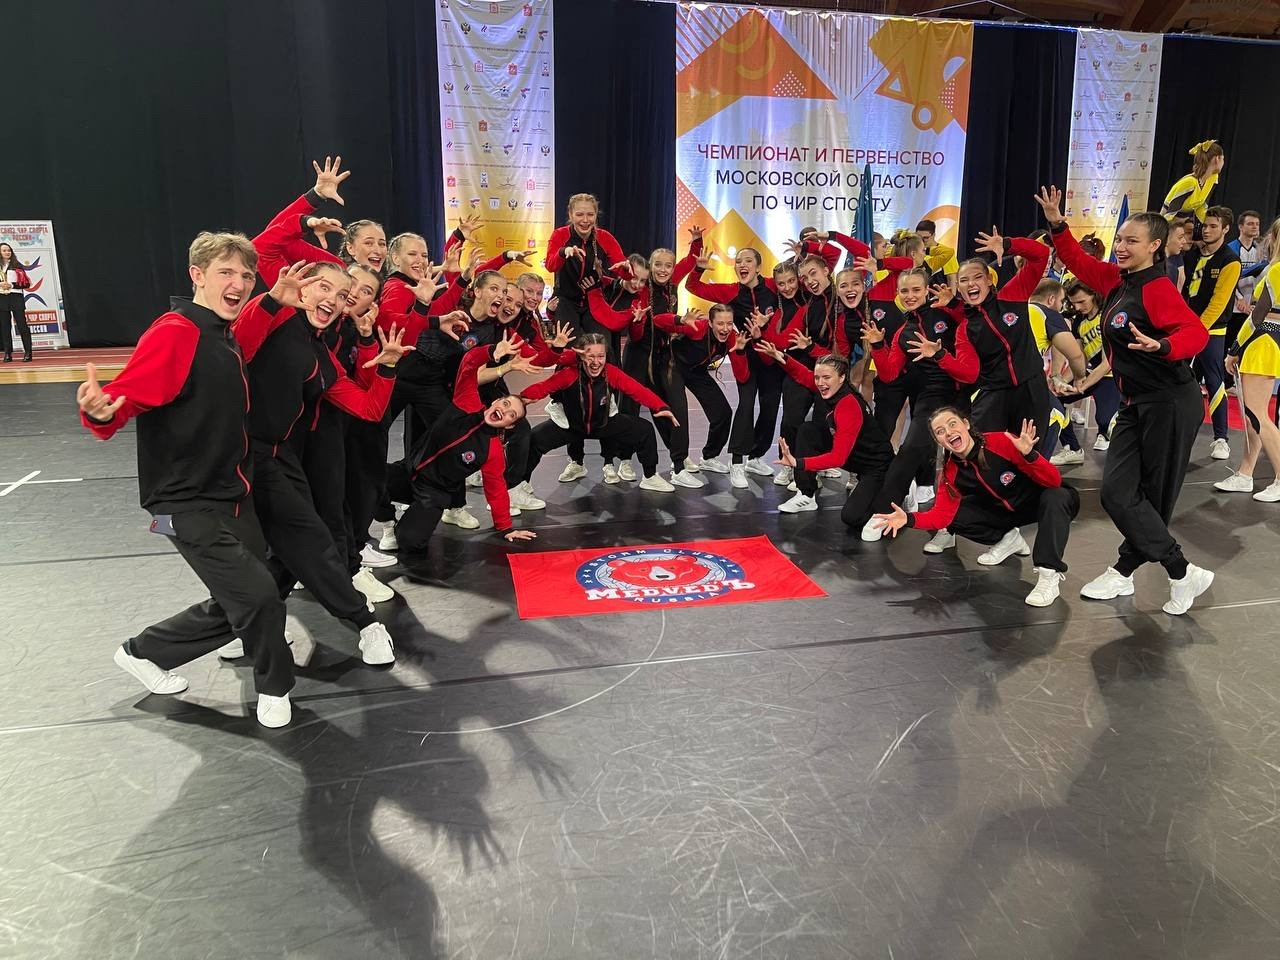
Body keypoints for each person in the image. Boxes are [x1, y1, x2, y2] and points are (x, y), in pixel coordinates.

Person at [76, 232, 295, 727]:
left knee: (247, 595)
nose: (239, 283)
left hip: (231, 494)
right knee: (259, 597)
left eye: (246, 275)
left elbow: (242, 337)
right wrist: (102, 411)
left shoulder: (221, 333)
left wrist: (271, 303)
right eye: (226, 272)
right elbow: (127, 394)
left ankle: (142, 652)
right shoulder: (176, 331)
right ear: (197, 275)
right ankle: (275, 687)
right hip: (185, 501)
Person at [1035, 185, 1213, 615]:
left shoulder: (1157, 288)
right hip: (1136, 403)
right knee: (1117, 493)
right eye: (1119, 239)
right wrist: (1057, 223)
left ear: (1155, 246)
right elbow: (1078, 261)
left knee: (1154, 496)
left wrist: (1163, 346)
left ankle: (1125, 570)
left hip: (1171, 402)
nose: (1121, 246)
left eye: (1132, 241)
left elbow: (1196, 333)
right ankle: (1182, 571)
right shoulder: (1117, 280)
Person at [872, 409, 1080, 607]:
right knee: (956, 516)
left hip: (1046, 502)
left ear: (966, 424)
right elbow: (942, 516)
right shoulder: (950, 471)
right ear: (938, 441)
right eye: (940, 431)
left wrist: (1030, 455)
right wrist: (908, 519)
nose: (948, 432)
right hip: (1007, 512)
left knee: (1056, 495)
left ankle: (1048, 575)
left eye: (952, 424)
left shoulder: (1000, 442)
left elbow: (1053, 481)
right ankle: (1009, 539)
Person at [388, 336, 543, 551]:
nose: (505, 411)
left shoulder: (493, 451)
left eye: (512, 415)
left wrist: (505, 528)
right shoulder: (467, 402)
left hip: (433, 494)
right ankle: (387, 520)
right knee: (365, 479)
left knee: (410, 542)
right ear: (495, 401)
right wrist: (491, 351)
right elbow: (469, 364)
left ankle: (416, 516)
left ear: (509, 425)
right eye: (506, 403)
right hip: (407, 471)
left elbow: (496, 489)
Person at [863, 266, 978, 526]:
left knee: (971, 455)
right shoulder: (903, 332)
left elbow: (973, 320)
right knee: (911, 448)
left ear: (927, 289)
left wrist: (954, 303)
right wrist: (878, 345)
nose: (910, 295)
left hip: (967, 391)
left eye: (916, 289)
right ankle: (884, 514)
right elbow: (889, 374)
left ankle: (974, 519)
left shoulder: (947, 312)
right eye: (904, 291)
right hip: (932, 395)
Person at [755, 344, 894, 537]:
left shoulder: (848, 405)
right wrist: (782, 357)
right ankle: (806, 494)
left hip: (875, 465)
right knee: (808, 430)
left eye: (826, 377)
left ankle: (896, 489)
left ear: (842, 377)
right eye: (818, 377)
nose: (820, 383)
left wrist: (798, 462)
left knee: (852, 517)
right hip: (854, 457)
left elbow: (838, 458)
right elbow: (803, 375)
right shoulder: (830, 388)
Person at [519, 333, 680, 492]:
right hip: (571, 428)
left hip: (603, 425)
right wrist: (522, 398)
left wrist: (661, 407)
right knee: (534, 439)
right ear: (581, 356)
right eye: (590, 356)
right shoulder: (569, 374)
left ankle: (650, 477)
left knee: (645, 429)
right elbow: (543, 387)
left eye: (600, 356)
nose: (596, 362)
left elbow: (637, 390)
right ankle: (520, 485)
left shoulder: (611, 373)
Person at [944, 228, 1052, 439]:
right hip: (994, 393)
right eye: (964, 280)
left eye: (978, 277)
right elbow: (969, 373)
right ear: (958, 286)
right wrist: (940, 356)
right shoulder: (965, 329)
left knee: (1029, 450)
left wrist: (1008, 244)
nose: (971, 284)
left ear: (989, 280)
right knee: (979, 447)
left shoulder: (1012, 296)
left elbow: (1041, 254)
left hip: (1031, 387)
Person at [1219, 217, 1280, 501]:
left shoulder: (1276, 270)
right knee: (1253, 414)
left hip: (1263, 340)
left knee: (1257, 414)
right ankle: (1245, 473)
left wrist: (1234, 349)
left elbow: (1256, 317)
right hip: (1269, 340)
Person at [1183, 205, 1242, 460]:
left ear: (1226, 229)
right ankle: (1181, 430)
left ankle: (1221, 438)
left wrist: (1196, 329)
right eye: (1205, 225)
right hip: (1186, 329)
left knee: (1215, 382)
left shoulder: (1230, 260)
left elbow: (1219, 302)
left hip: (1213, 331)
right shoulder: (1192, 254)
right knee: (1182, 381)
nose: (1206, 230)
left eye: (1213, 226)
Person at [544, 193, 628, 349]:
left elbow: (622, 270)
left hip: (595, 300)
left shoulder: (604, 237)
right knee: (569, 347)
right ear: (571, 215)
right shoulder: (560, 234)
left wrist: (626, 270)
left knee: (603, 345)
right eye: (579, 214)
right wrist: (563, 252)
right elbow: (550, 265)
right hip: (566, 300)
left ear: (596, 215)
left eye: (590, 214)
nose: (585, 220)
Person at [1051, 279, 1122, 464]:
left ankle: (1109, 432)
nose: (1077, 307)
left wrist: (1082, 384)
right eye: (1073, 303)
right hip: (1092, 374)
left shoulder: (1107, 316)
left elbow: (1107, 364)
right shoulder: (1079, 322)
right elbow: (1079, 357)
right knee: (1054, 399)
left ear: (1094, 295)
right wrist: (1062, 382)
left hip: (1112, 376)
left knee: (1104, 421)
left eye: (1081, 301)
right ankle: (1073, 449)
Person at [1161, 139, 1225, 228]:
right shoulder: (1189, 183)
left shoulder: (1213, 178)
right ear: (1217, 159)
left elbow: (1203, 207)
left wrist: (1206, 226)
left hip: (1186, 223)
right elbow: (1169, 214)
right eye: (1223, 159)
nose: (1223, 163)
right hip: (1170, 223)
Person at [0, 242, 33, 362]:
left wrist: (12, 285)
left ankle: (28, 352)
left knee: (22, 325)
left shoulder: (17, 265)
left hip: (16, 297)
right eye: (4, 250)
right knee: (5, 327)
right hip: (2, 298)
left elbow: (26, 283)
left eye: (9, 250)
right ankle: (8, 353)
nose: (7, 252)